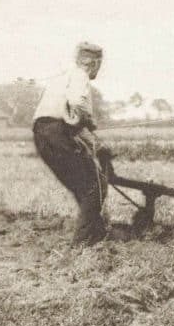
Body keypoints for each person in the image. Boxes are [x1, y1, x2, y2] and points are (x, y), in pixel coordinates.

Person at [32, 42, 114, 246]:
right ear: (93, 63)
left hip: (42, 135)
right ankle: (83, 244)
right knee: (93, 187)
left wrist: (91, 140)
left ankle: (96, 232)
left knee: (83, 186)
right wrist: (88, 121)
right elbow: (77, 104)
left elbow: (67, 118)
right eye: (99, 65)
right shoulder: (80, 75)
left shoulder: (62, 77)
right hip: (58, 134)